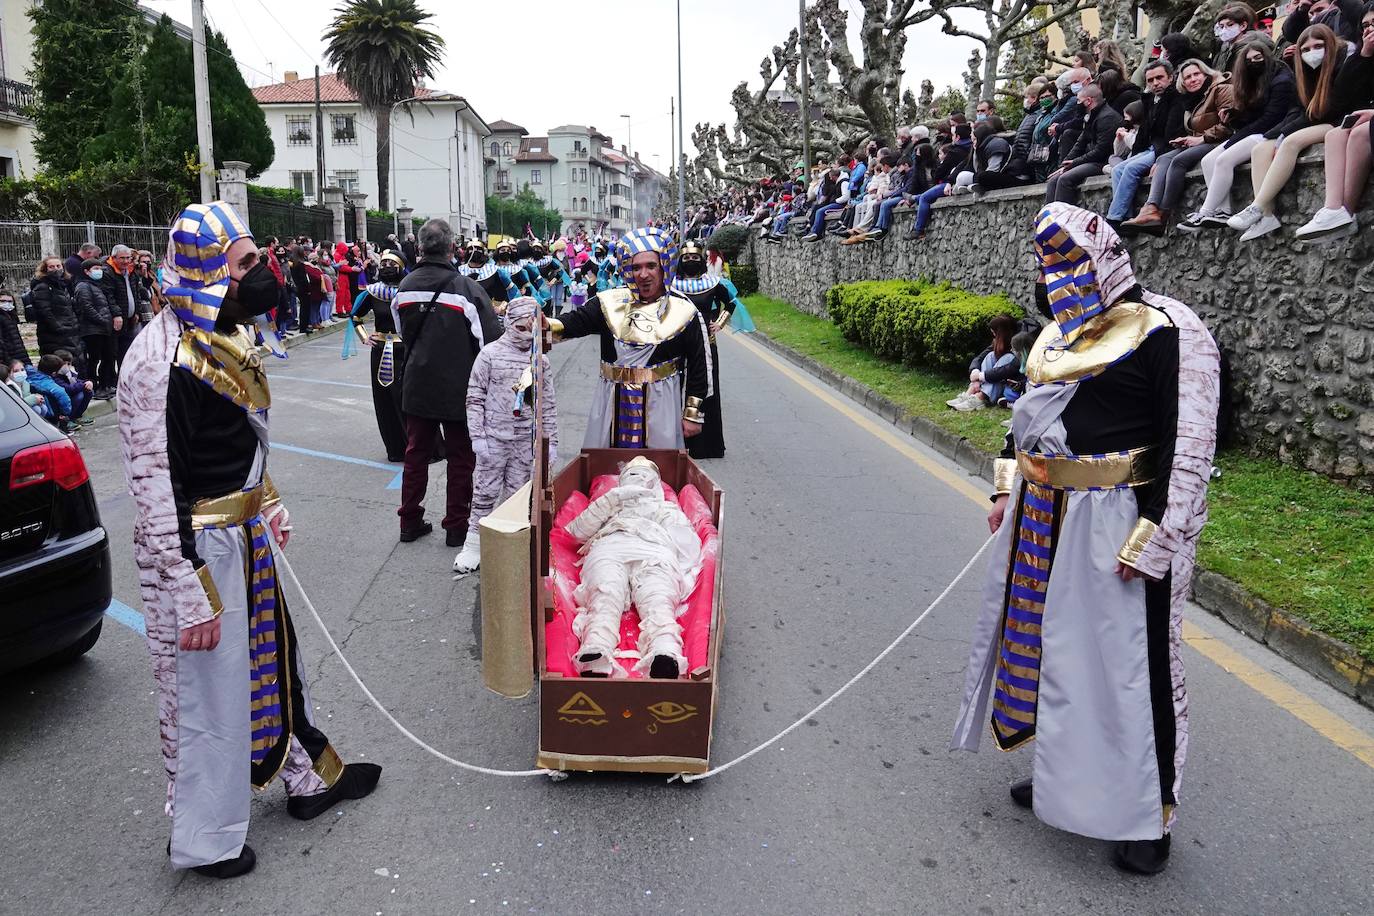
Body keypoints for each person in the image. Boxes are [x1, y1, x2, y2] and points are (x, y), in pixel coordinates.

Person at [953, 203, 1220, 876]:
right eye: (1049, 262)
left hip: (1117, 515)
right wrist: (1003, 488)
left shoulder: (1167, 329)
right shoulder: (1055, 338)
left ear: (1107, 257)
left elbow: (1190, 443)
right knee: (1054, 652)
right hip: (1043, 513)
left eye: (1071, 259)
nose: (1059, 275)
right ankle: (1060, 775)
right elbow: (1024, 426)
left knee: (1131, 666)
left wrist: (1158, 533)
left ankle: (1150, 815)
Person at [117, 201, 382, 879]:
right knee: (202, 694)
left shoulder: (218, 331)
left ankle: (308, 778)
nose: (261, 273)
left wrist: (267, 500)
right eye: (244, 264)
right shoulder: (160, 360)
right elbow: (155, 489)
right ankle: (205, 838)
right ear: (207, 272)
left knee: (274, 660)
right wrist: (189, 592)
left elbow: (236, 439)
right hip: (198, 552)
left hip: (241, 533)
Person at [547, 227, 712, 450]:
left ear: (664, 267)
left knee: (658, 472)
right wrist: (544, 324)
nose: (643, 274)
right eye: (636, 267)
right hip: (611, 402)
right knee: (605, 471)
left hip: (661, 403)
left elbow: (699, 365)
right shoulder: (609, 302)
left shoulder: (684, 310)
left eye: (651, 266)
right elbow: (575, 321)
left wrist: (693, 413)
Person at [394, 218, 503, 546]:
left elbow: (403, 334)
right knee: (461, 458)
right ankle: (456, 526)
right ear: (453, 248)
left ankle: (409, 521)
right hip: (460, 387)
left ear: (419, 248)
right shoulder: (466, 289)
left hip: (417, 383)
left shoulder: (405, 287)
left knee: (416, 453)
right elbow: (490, 343)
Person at [564, 456, 703, 680]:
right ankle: (596, 651)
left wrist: (663, 520)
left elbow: (689, 549)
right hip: (610, 547)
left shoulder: (665, 510)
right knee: (605, 594)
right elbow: (577, 532)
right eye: (632, 475)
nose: (637, 481)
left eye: (644, 476)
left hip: (653, 551)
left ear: (655, 485)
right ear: (621, 483)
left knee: (657, 598)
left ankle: (664, 653)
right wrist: (609, 501)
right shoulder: (609, 507)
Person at [1227, 24, 1363, 240]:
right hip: (1317, 120)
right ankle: (1267, 217)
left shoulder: (1344, 63)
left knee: (1292, 142)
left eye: (1318, 46)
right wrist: (1276, 134)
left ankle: (1258, 205)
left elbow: (1328, 109)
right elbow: (1299, 109)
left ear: (1331, 44)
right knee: (1261, 149)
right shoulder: (1305, 73)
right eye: (1306, 49)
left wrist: (1285, 135)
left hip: (1339, 120)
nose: (1312, 53)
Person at [452, 297, 558, 573]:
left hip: (525, 441)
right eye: (521, 328)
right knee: (484, 492)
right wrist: (477, 436)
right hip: (493, 438)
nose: (526, 334)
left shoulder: (540, 360)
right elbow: (474, 397)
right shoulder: (489, 354)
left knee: (517, 497)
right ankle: (473, 544)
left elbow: (547, 405)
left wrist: (551, 443)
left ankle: (509, 545)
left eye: (531, 329)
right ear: (509, 324)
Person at [1178, 35, 1298, 232]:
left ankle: (1206, 211)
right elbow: (1252, 115)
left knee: (1223, 160)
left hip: (1271, 132)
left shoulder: (1281, 80)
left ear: (1267, 56)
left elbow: (1271, 118)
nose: (1253, 63)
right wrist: (1234, 117)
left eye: (1257, 58)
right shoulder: (1252, 83)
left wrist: (1238, 134)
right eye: (1248, 60)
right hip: (1254, 131)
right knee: (1209, 160)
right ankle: (1222, 212)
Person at [1120, 59, 1234, 236]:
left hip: (1217, 140)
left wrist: (1201, 138)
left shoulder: (1221, 89)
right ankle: (1150, 209)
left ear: (1206, 74)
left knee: (1178, 161)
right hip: (1199, 140)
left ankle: (1163, 214)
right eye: (1188, 77)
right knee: (1164, 158)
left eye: (1196, 74)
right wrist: (1189, 139)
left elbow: (1229, 123)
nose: (1192, 79)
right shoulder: (1190, 99)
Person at [1296, 9, 1374, 240]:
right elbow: (1343, 96)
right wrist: (1365, 55)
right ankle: (1333, 209)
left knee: (1360, 134)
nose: (1369, 28)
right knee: (1336, 135)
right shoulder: (1362, 55)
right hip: (1364, 113)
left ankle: (1345, 211)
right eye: (1366, 25)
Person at [668, 240, 739, 458]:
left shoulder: (714, 283)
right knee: (672, 389)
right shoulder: (670, 285)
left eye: (695, 257)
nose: (691, 261)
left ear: (701, 259)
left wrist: (720, 322)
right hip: (676, 344)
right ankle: (672, 442)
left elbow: (732, 303)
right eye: (686, 258)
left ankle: (707, 445)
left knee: (707, 389)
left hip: (707, 343)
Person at [347, 251, 409, 462]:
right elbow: (355, 316)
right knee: (385, 400)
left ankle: (416, 446)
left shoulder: (411, 289)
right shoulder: (372, 292)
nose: (387, 266)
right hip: (382, 351)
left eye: (392, 263)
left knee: (407, 398)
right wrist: (364, 337)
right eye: (383, 263)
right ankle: (395, 448)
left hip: (407, 351)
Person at [1106, 60, 1185, 224]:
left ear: (1170, 78)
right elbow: (1144, 131)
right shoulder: (1150, 100)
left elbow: (1172, 133)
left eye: (1159, 78)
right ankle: (1124, 216)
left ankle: (1113, 218)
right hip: (1151, 148)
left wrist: (1159, 159)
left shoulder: (1176, 99)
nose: (1155, 83)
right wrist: (1135, 152)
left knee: (1130, 169)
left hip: (1165, 148)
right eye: (1150, 80)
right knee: (1118, 170)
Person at [1045, 85, 1125, 205]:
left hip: (1103, 161)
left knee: (1065, 179)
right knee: (1053, 180)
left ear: (1088, 101)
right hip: (1091, 159)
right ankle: (1049, 218)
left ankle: (1063, 218)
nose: (1077, 104)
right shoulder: (1092, 116)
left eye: (1079, 100)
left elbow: (1101, 151)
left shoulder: (1107, 117)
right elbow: (1081, 142)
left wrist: (1074, 162)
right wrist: (1065, 163)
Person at [904, 124, 974, 241]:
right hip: (960, 180)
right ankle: (914, 198)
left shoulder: (954, 151)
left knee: (924, 198)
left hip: (950, 183)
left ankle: (918, 229)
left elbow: (941, 172)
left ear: (957, 137)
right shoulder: (972, 148)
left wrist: (947, 180)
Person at [946, 315, 1022, 411]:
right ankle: (971, 392)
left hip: (1011, 382)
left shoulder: (1017, 346)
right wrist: (975, 374)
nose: (993, 335)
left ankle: (981, 397)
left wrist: (981, 376)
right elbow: (979, 358)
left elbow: (1005, 371)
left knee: (1007, 358)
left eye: (994, 333)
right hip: (993, 379)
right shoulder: (998, 343)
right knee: (990, 355)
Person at [74, 258, 118, 398]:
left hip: (103, 329)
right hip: (92, 330)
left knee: (107, 357)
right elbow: (86, 306)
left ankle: (105, 385)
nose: (99, 272)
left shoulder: (97, 285)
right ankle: (94, 387)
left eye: (100, 268)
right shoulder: (83, 286)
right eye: (96, 269)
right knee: (94, 359)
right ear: (86, 271)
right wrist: (103, 320)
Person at [102, 244, 151, 363]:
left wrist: (137, 312)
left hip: (130, 319)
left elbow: (136, 294)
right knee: (111, 354)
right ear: (113, 258)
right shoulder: (108, 272)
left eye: (128, 258)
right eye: (122, 258)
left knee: (127, 354)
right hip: (116, 320)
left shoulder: (130, 272)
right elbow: (109, 296)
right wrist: (116, 315)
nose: (126, 261)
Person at [27, 257, 82, 361]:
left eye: (58, 266)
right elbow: (44, 311)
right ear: (45, 269)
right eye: (51, 267)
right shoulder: (42, 286)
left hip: (70, 332)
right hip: (54, 335)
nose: (56, 269)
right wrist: (58, 328)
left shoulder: (63, 285)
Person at [1212, 3, 1258, 70]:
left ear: (1243, 25)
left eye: (1230, 24)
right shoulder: (1223, 46)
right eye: (1221, 26)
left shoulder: (1252, 48)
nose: (1224, 30)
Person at [0, 290, 26, 367]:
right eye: (3, 301)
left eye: (10, 301)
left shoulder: (11, 317)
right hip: (8, 360)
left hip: (18, 357)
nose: (7, 303)